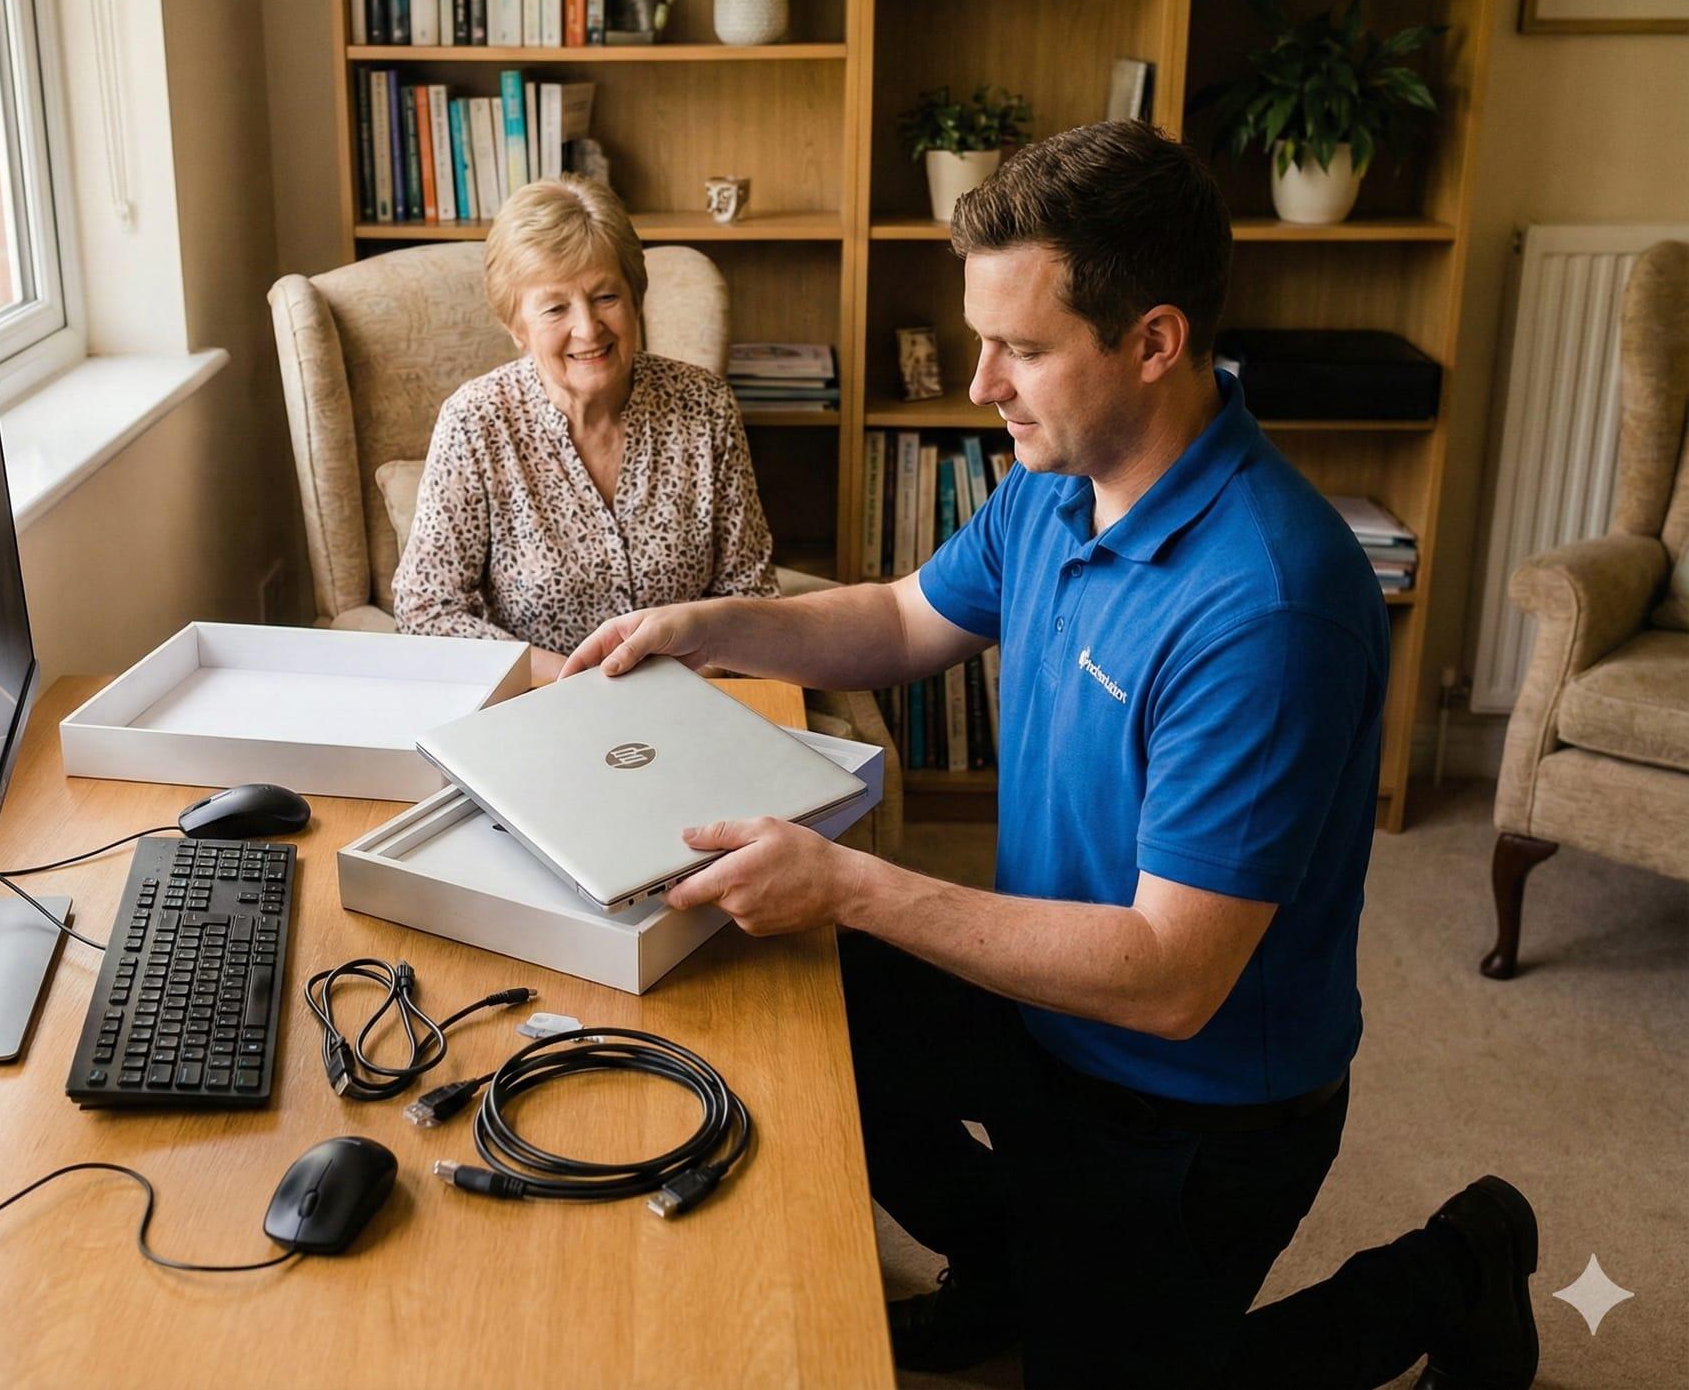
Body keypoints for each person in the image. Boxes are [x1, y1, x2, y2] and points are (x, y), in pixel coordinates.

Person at [562, 122, 1539, 1390]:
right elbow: (907, 617)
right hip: (1042, 991)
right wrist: (702, 627)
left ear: (1153, 341)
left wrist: (855, 883)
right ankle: (1017, 1262)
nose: (981, 384)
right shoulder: (1058, 477)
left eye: (1020, 348)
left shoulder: (1266, 604)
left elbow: (1170, 977)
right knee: (790, 993)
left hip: (1184, 1095)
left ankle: (1452, 1264)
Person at [392, 175, 778, 683]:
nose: (588, 328)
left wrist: (687, 688)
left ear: (635, 298)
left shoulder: (704, 406)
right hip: (535, 710)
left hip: (691, 704)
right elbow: (427, 612)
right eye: (555, 308)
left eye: (605, 297)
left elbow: (750, 593)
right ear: (516, 326)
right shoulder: (476, 422)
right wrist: (578, 680)